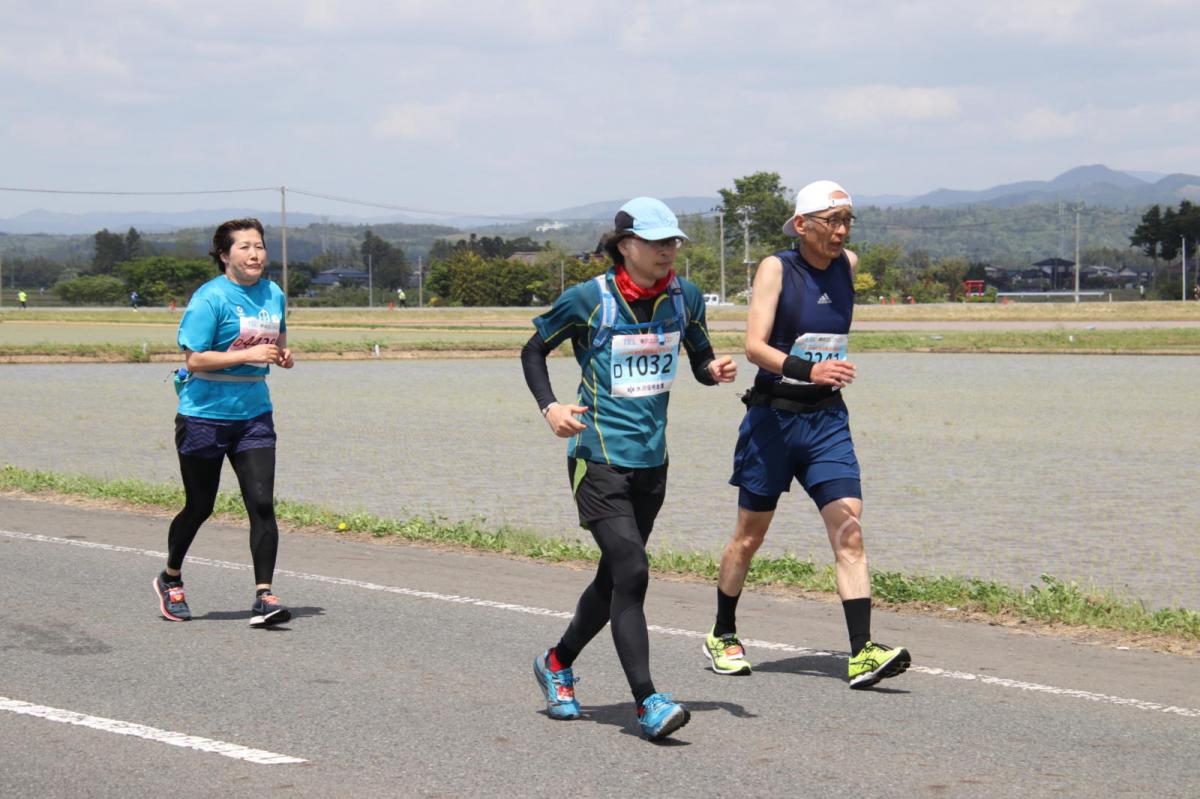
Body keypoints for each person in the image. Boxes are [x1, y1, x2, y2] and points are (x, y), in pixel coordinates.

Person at [522, 197, 737, 740]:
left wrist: (714, 369)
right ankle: (649, 702)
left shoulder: (685, 297)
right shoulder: (588, 299)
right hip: (597, 458)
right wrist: (551, 407)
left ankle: (556, 662)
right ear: (625, 246)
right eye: (657, 242)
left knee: (616, 577)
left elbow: (698, 359)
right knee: (634, 572)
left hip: (652, 462)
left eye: (674, 243)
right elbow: (532, 350)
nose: (669, 252)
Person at [703, 180, 910, 689]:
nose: (841, 232)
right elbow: (753, 347)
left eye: (847, 221)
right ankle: (722, 633)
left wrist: (819, 381)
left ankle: (861, 652)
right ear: (802, 224)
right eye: (831, 221)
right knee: (749, 537)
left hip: (826, 422)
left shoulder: (848, 265)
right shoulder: (777, 267)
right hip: (773, 420)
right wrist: (807, 369)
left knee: (850, 531)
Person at [153, 218, 295, 628]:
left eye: (260, 246)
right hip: (204, 417)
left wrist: (283, 358)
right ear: (224, 255)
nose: (255, 254)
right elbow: (195, 359)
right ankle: (171, 578)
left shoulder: (274, 294)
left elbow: (279, 346)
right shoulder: (210, 298)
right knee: (200, 506)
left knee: (262, 503)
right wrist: (245, 356)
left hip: (253, 416)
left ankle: (264, 596)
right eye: (245, 247)